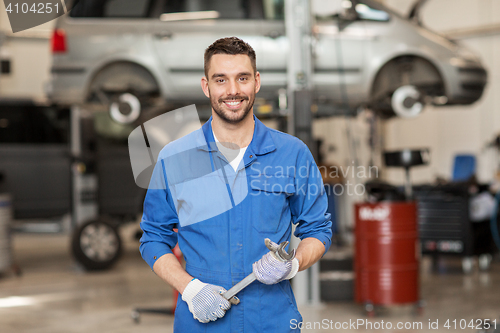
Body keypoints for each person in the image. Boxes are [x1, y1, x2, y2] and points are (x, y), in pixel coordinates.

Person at [140, 36, 332, 332]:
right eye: (220, 80)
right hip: (200, 321)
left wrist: (292, 264)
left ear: (256, 82)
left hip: (272, 319)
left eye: (242, 78)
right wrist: (188, 289)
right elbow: (153, 236)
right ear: (206, 86)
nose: (232, 91)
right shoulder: (175, 158)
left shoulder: (292, 154)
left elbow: (318, 229)